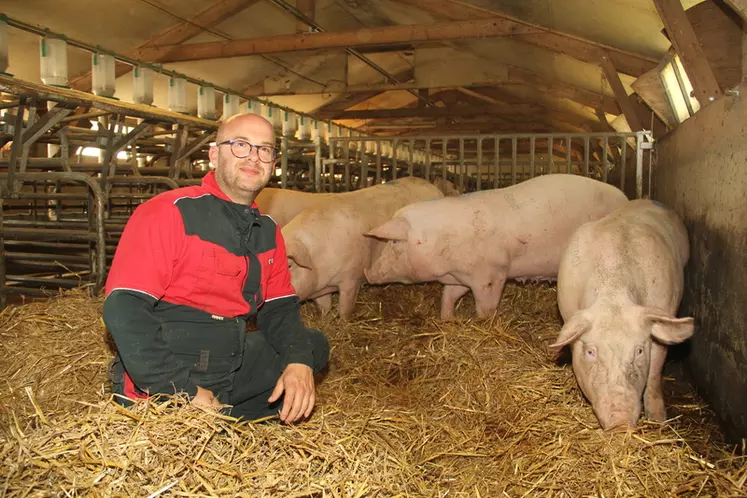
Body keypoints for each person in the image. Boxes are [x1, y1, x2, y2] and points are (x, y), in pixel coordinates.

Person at [102, 113, 329, 423]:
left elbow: (280, 309)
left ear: (273, 162)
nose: (254, 157)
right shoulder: (169, 212)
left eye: (265, 149)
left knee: (312, 345)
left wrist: (299, 362)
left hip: (228, 363)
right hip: (171, 371)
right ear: (213, 154)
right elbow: (124, 309)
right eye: (240, 145)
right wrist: (180, 389)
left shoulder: (267, 230)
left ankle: (229, 416)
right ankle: (209, 418)